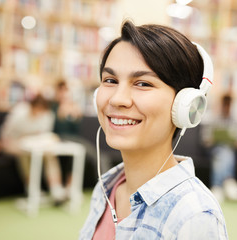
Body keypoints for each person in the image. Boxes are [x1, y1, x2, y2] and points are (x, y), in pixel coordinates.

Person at [79, 21, 228, 239]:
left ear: (185, 105)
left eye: (143, 84)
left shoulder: (194, 216)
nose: (118, 99)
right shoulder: (108, 188)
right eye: (110, 80)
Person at [0, 93, 68, 204]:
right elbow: (6, 135)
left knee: (49, 154)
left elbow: (44, 134)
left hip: (35, 145)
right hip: (11, 143)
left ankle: (56, 190)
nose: (39, 112)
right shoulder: (20, 112)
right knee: (24, 153)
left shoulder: (48, 115)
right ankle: (33, 190)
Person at [201, 94, 237, 203]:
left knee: (225, 151)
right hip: (213, 150)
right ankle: (229, 180)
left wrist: (236, 141)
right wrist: (213, 139)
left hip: (233, 152)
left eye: (228, 105)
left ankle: (217, 186)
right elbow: (205, 141)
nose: (226, 107)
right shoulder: (212, 119)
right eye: (224, 104)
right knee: (222, 151)